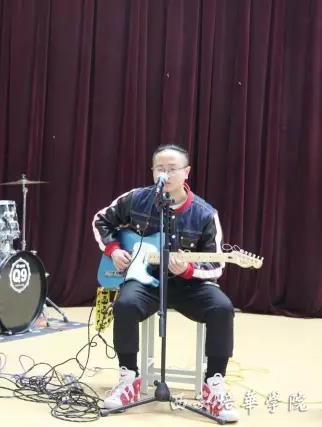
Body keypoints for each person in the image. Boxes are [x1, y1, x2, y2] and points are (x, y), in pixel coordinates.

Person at [92, 144, 239, 422]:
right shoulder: (136, 199)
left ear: (187, 172)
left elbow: (216, 265)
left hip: (190, 286)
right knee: (124, 305)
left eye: (172, 169)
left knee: (222, 308)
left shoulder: (205, 213)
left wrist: (189, 269)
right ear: (152, 171)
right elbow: (101, 220)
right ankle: (128, 377)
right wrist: (113, 250)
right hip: (146, 281)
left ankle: (214, 384)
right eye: (160, 168)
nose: (166, 174)